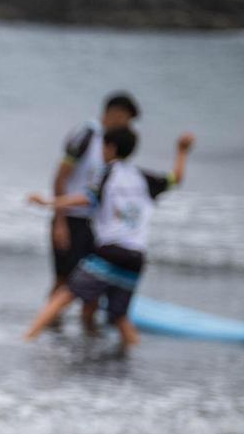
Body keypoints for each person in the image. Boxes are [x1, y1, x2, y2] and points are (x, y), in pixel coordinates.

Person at [24, 127, 195, 349]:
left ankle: (25, 339)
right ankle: (134, 357)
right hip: (136, 255)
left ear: (111, 147)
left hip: (110, 251)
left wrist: (50, 203)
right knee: (119, 316)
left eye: (103, 147)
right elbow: (175, 179)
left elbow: (87, 199)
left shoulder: (107, 172)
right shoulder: (143, 177)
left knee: (65, 295)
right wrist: (181, 151)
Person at [45, 92, 140, 327]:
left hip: (97, 225)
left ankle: (89, 342)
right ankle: (47, 329)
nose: (128, 126)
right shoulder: (86, 136)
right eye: (126, 120)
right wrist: (60, 222)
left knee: (96, 287)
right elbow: (59, 179)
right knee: (64, 280)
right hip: (71, 220)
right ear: (114, 114)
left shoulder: (113, 146)